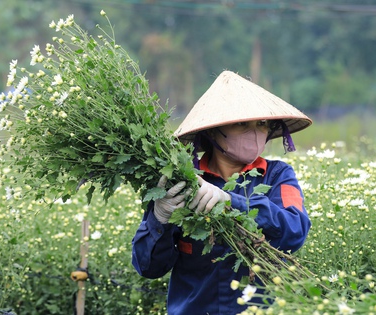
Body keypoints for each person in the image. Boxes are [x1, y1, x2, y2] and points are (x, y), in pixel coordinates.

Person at [131, 70, 313, 315]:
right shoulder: (183, 182)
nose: (255, 132)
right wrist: (159, 217)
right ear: (213, 131)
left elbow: (295, 231)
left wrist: (232, 201)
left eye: (261, 124)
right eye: (241, 124)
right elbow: (148, 267)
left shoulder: (278, 175)